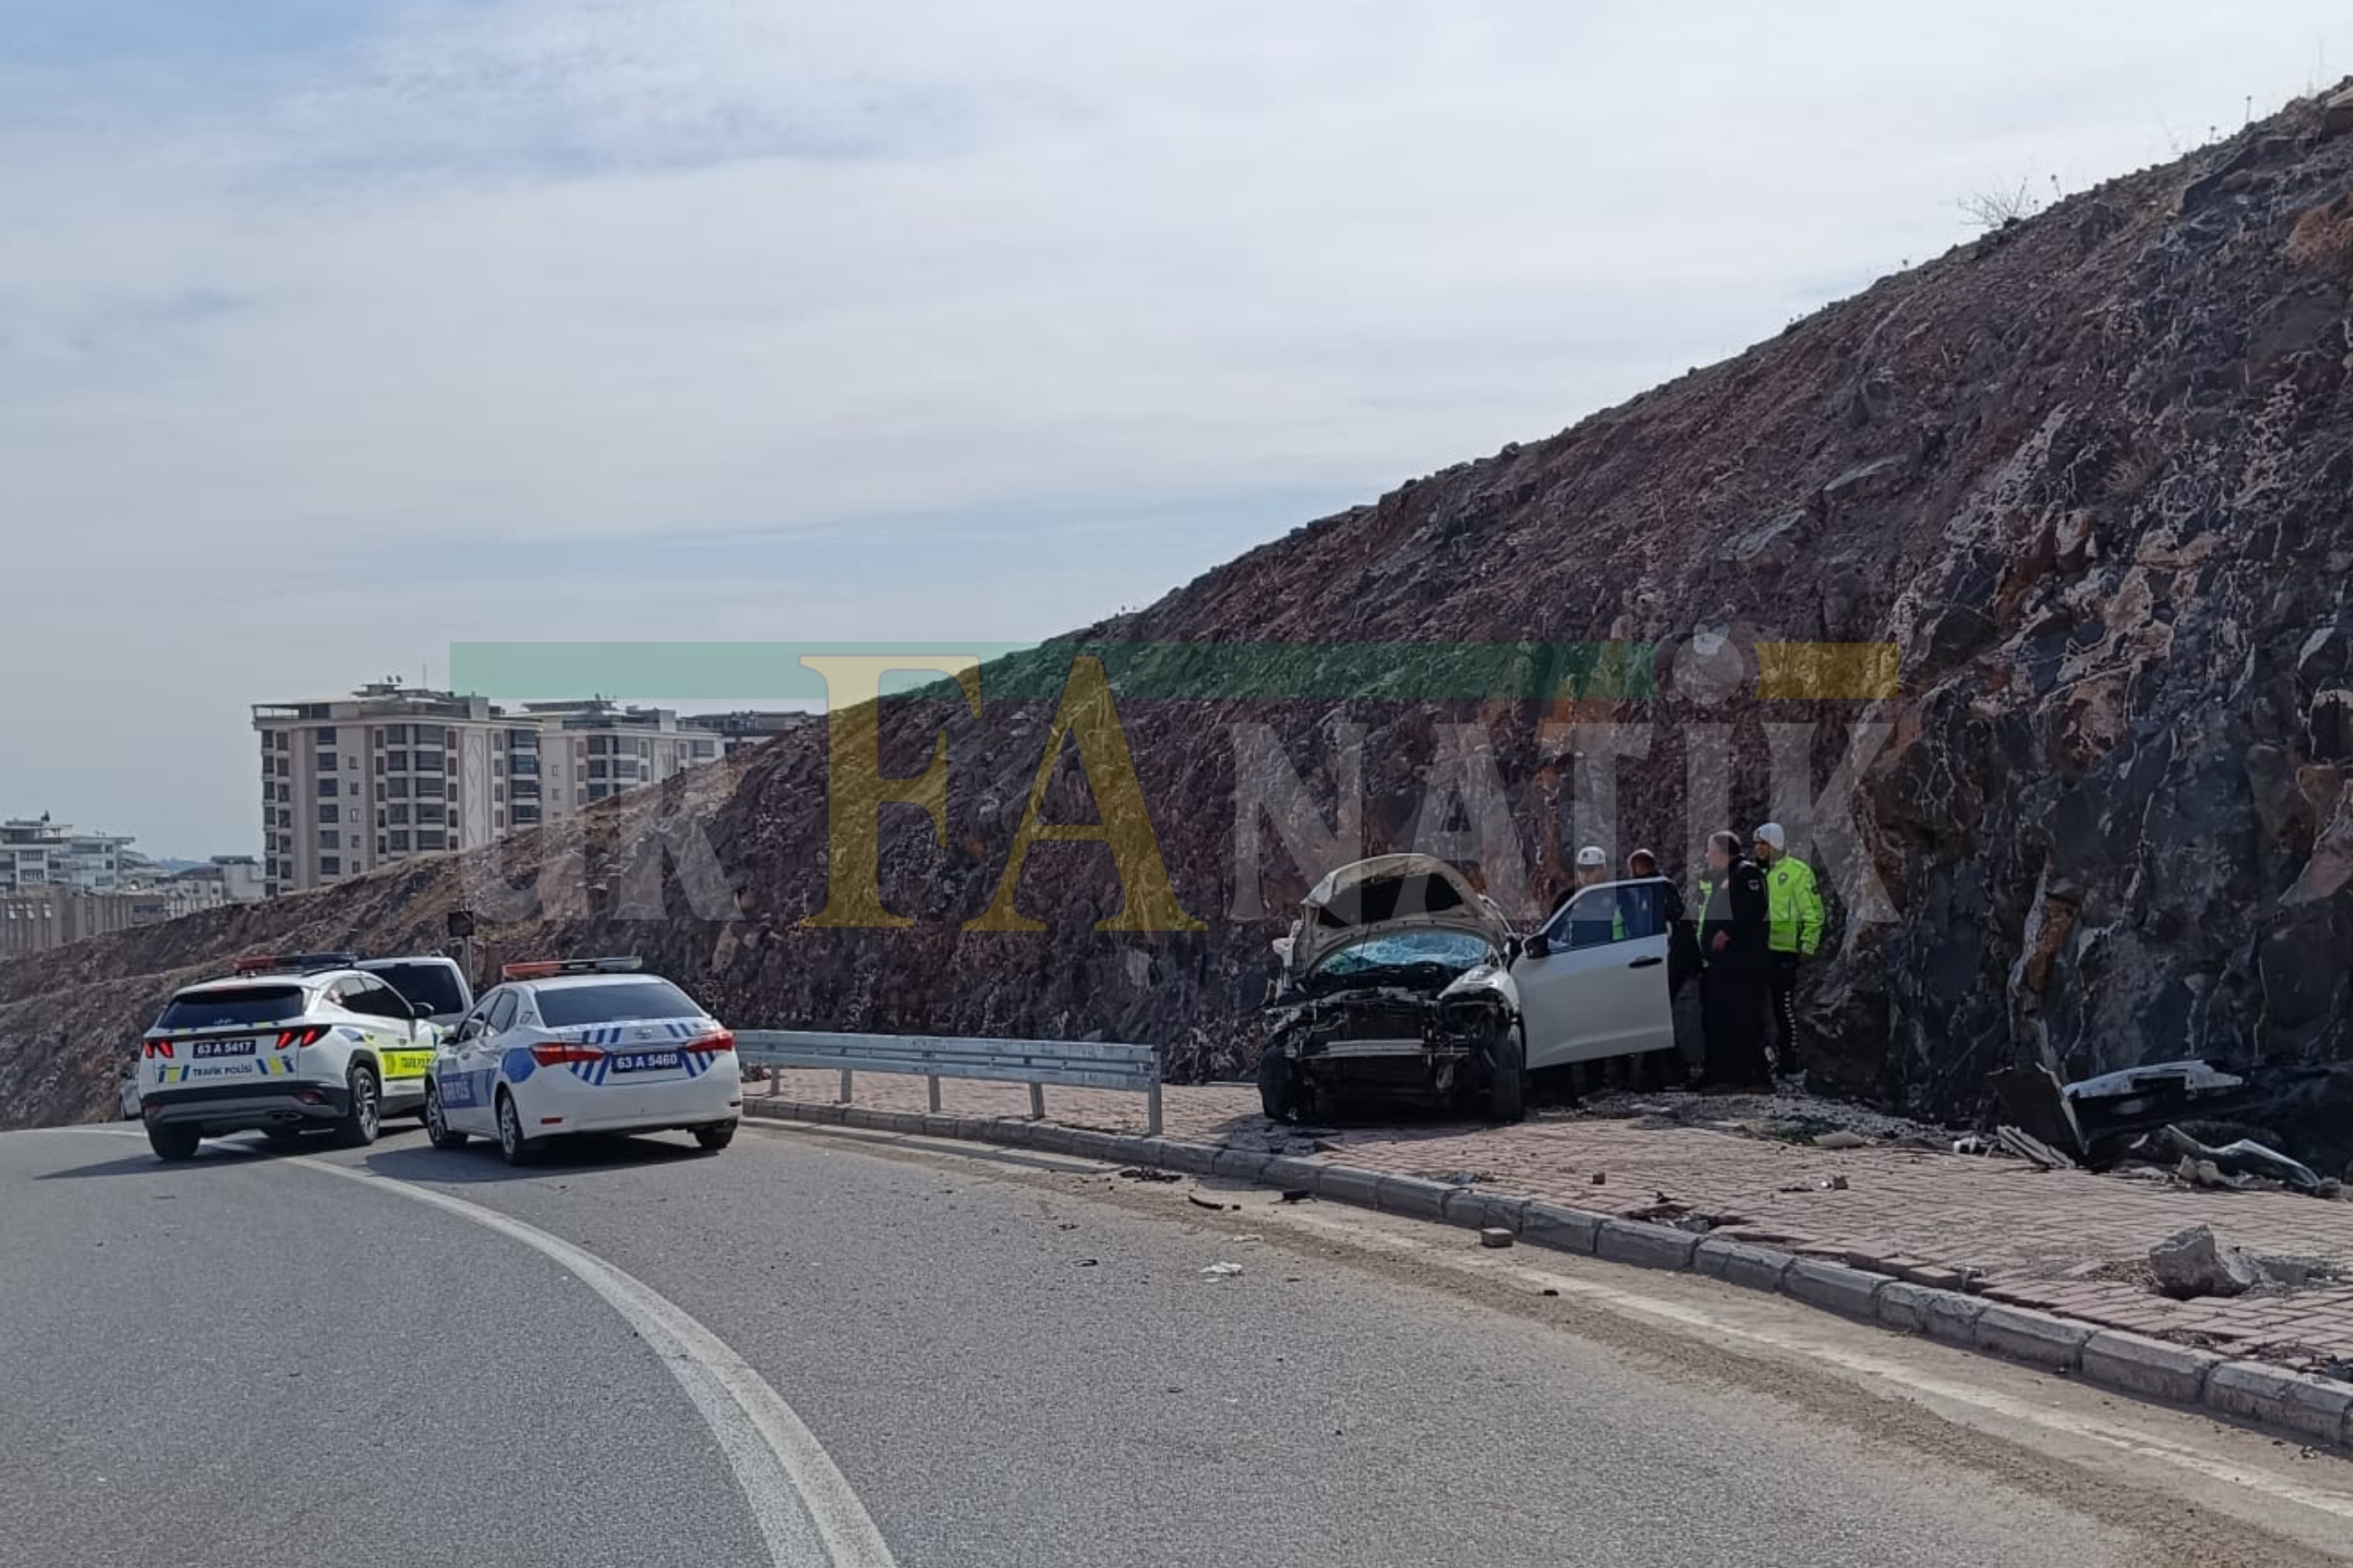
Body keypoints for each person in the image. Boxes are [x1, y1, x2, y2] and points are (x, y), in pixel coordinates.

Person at [1696, 830, 1771, 1089]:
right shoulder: (1721, 878)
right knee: (1721, 1021)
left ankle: (1757, 1076)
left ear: (1721, 852)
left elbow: (1754, 909)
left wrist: (1728, 932)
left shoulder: (1746, 873)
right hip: (1722, 965)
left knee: (1745, 1020)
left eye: (1710, 851)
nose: (1707, 856)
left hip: (1742, 965)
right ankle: (1726, 1076)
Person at [1751, 823, 1824, 1078]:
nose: (1759, 849)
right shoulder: (1755, 874)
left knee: (1783, 1006)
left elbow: (1813, 913)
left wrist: (1808, 944)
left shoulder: (1797, 872)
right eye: (1756, 844)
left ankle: (1789, 1060)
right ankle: (1762, 1057)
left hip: (1784, 950)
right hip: (1758, 950)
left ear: (1776, 844)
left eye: (1763, 844)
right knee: (1756, 1006)